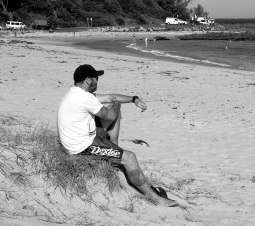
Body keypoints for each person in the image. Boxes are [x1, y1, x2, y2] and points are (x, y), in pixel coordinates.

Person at [57, 64, 176, 206]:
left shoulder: (76, 93)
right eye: (96, 78)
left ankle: (114, 152)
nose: (97, 81)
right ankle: (156, 199)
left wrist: (134, 99)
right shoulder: (84, 98)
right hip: (80, 147)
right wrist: (117, 104)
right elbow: (109, 115)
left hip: (81, 137)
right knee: (130, 157)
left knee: (115, 110)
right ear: (88, 80)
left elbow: (110, 97)